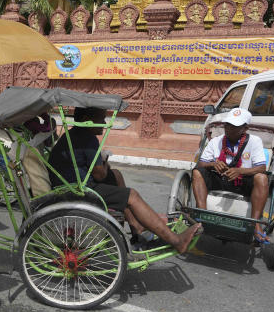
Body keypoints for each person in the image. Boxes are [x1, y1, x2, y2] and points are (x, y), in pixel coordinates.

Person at [47, 107, 201, 254]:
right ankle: (176, 241)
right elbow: (100, 175)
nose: (105, 123)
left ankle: (136, 227)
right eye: (101, 119)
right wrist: (105, 163)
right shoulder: (87, 138)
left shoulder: (75, 134)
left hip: (70, 185)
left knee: (117, 175)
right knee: (132, 195)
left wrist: (105, 167)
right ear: (87, 120)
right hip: (77, 190)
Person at [191, 108, 270, 243]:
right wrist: (213, 164)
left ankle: (256, 224)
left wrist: (240, 171)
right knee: (197, 172)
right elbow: (201, 163)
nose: (229, 129)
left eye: (234, 126)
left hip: (243, 183)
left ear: (245, 128)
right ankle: (202, 215)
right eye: (227, 125)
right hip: (220, 180)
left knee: (262, 178)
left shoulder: (254, 142)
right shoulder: (216, 141)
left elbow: (262, 167)